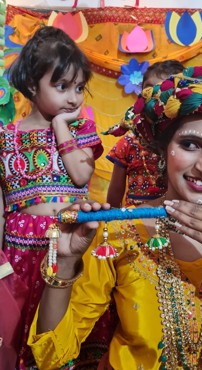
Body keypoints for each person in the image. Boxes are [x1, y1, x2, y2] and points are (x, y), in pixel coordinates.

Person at [28, 66, 202, 370]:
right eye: (190, 144)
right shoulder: (119, 230)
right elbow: (51, 357)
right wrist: (65, 264)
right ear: (162, 149)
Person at [0, 26, 103, 369]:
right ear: (32, 84)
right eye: (61, 87)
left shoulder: (81, 129)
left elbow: (81, 175)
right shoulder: (6, 137)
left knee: (61, 337)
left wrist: (61, 126)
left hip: (68, 244)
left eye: (78, 88)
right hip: (20, 250)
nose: (73, 98)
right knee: (16, 337)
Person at [106, 60, 184, 207]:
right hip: (135, 224)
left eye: (164, 89)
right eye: (149, 89)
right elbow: (114, 198)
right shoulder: (128, 142)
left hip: (177, 221)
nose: (155, 95)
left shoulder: (186, 143)